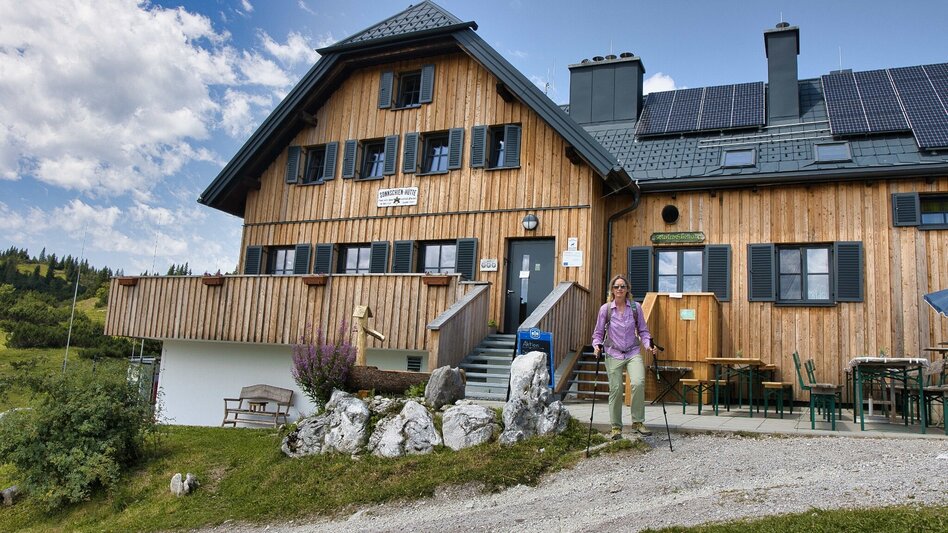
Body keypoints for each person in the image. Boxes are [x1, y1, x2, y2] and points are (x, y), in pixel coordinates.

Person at [591, 274, 656, 439]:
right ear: (612, 290)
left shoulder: (636, 308)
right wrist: (596, 346)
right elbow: (598, 333)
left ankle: (638, 422)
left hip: (633, 352)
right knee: (616, 389)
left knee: (639, 383)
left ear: (627, 290)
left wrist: (648, 345)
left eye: (622, 286)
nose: (619, 289)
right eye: (616, 286)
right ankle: (616, 427)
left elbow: (643, 331)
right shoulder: (605, 309)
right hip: (613, 353)